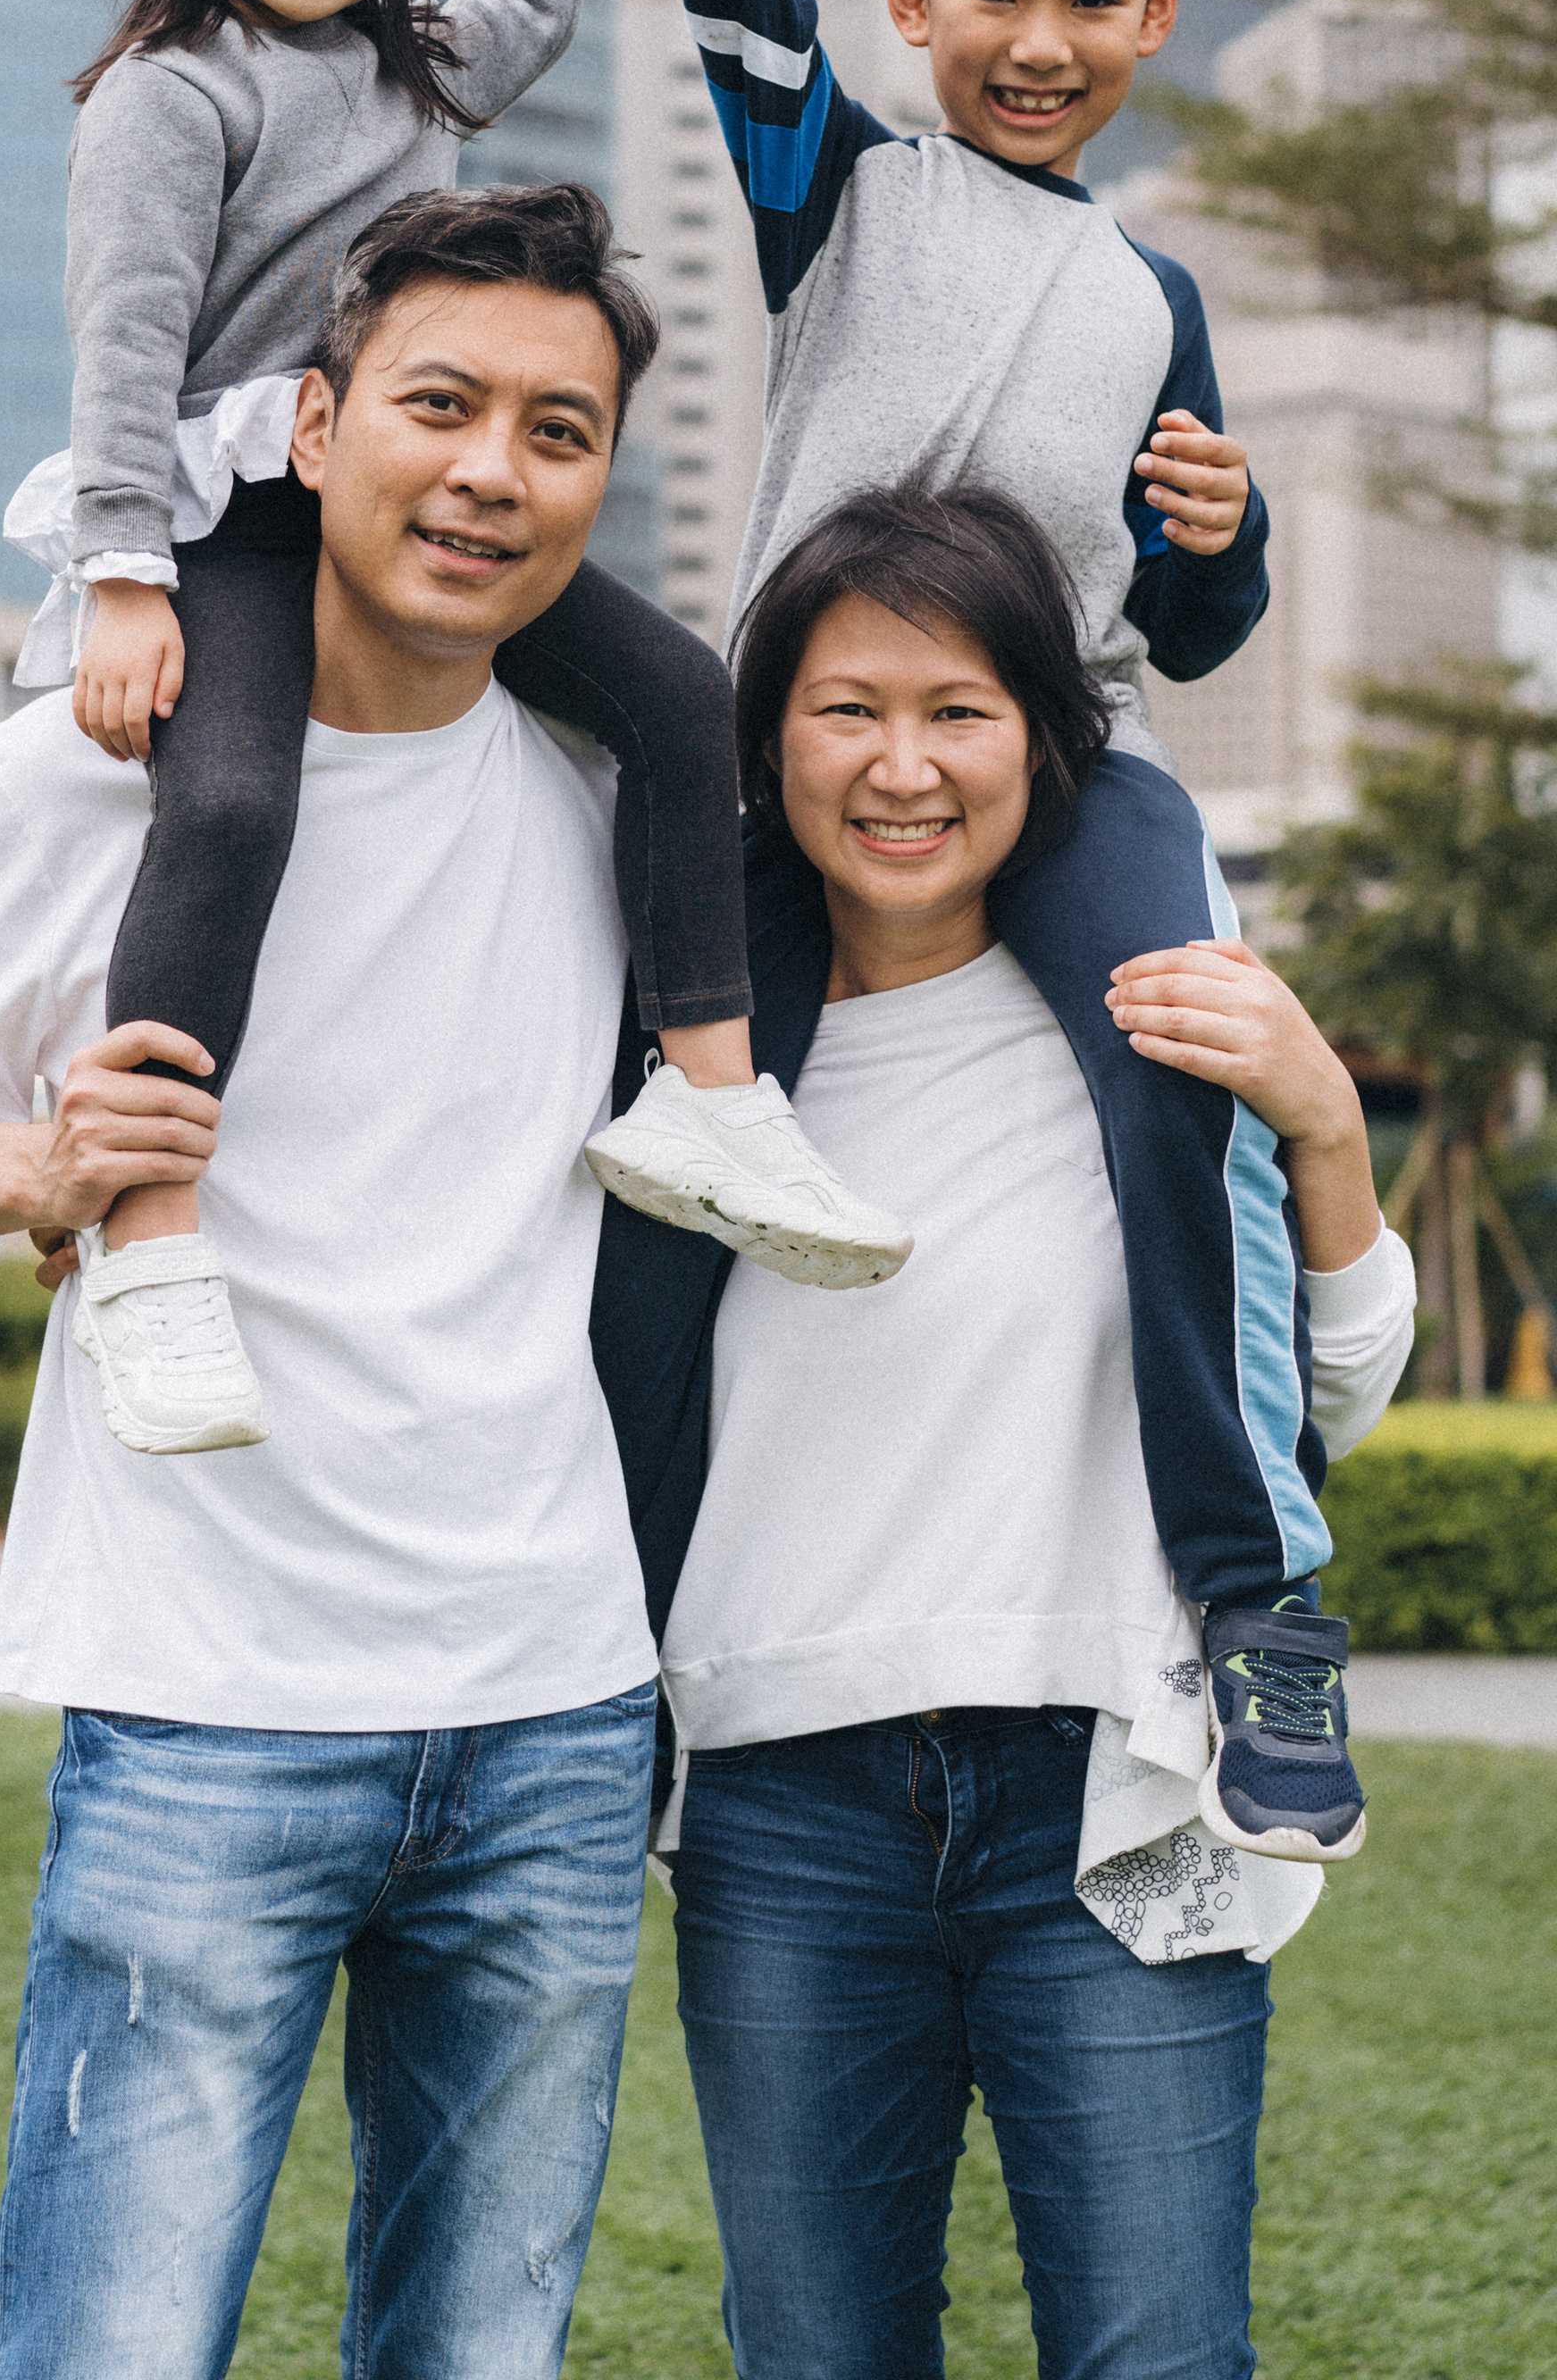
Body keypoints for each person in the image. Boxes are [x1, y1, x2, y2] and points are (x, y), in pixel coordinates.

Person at [0, 185, 691, 2380]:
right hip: (207, 1695)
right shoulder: (85, 768)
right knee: (109, 2347)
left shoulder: (607, 795)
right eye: (440, 405)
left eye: (556, 431)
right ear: (311, 423)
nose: (491, 470)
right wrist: (36, 1163)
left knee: (477, 2354)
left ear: (598, 483)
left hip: (559, 1703)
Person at [515, 0, 1364, 1862]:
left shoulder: (1154, 298)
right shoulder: (841, 194)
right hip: (780, 776)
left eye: (1089, 1)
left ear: (1155, 13)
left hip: (1068, 765)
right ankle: (611, 1661)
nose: (1035, 43)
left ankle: (1257, 1606)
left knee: (1187, 1087)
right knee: (674, 1193)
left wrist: (1226, 538)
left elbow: (1183, 619)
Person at [4, 0, 905, 1460]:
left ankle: (705, 1096)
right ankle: (148, 1234)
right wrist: (122, 577)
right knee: (238, 799)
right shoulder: (170, 100)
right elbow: (122, 348)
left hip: (403, 501)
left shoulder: (413, 68)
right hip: (233, 520)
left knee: (676, 699)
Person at [591, 480, 1415, 2380]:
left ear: (1043, 738)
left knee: (1150, 2356)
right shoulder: (685, 1065)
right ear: (764, 736)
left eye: (955, 712)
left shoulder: (1144, 1031)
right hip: (780, 1806)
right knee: (819, 2356)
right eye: (843, 709)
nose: (899, 767)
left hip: (1113, 1778)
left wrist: (1324, 1132)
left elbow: (1321, 1401)